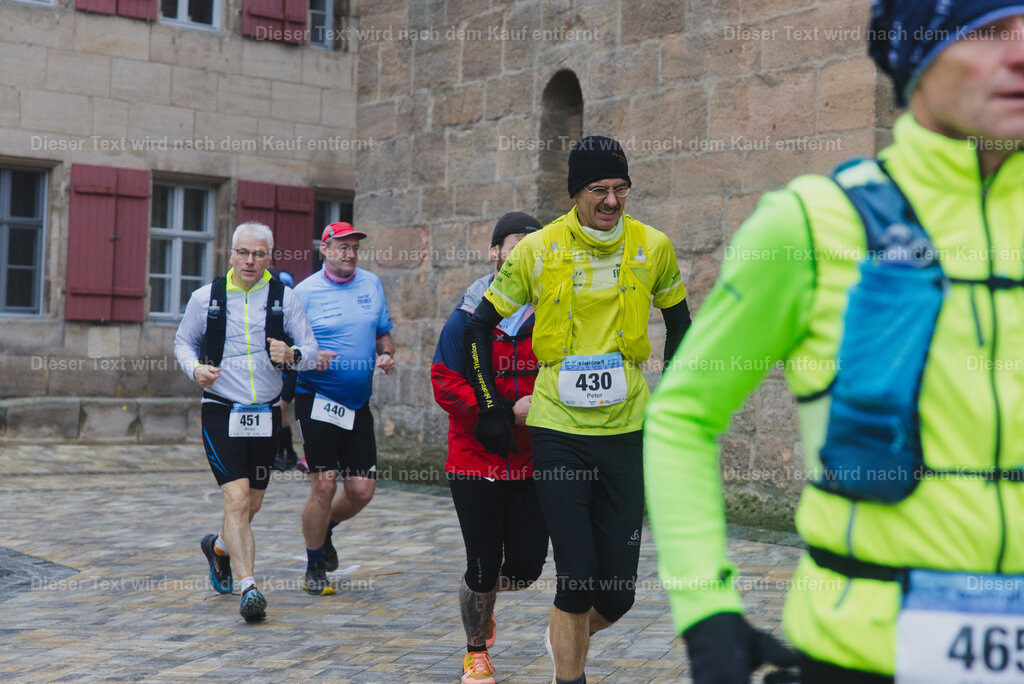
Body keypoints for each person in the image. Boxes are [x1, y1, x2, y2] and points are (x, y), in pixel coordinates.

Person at [645, 3, 1024, 682]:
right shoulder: (810, 225)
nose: (1020, 53)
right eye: (989, 30)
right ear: (917, 52)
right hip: (859, 657)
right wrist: (707, 614)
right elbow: (683, 416)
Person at [464, 137, 692, 684]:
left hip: (626, 430)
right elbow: (478, 327)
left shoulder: (654, 246)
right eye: (599, 189)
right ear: (575, 193)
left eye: (620, 189)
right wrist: (491, 405)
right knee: (576, 578)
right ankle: (571, 676)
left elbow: (681, 324)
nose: (611, 200)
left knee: (617, 595)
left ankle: (563, 638)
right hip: (558, 430)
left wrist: (675, 399)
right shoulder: (537, 249)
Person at [174, 222, 318, 622]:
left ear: (269, 257)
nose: (249, 261)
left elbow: (311, 350)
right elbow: (183, 342)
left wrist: (292, 355)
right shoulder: (206, 298)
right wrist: (195, 369)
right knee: (236, 500)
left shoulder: (285, 298)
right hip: (221, 408)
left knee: (253, 502)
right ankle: (249, 588)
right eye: (243, 253)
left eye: (258, 254)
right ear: (231, 254)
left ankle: (219, 547)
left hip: (267, 413)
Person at [431, 212, 550, 684]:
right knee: (482, 563)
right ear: (496, 253)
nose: (523, 258)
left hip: (531, 462)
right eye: (515, 248)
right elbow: (444, 382)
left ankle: (480, 597)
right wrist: (501, 411)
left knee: (527, 567)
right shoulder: (466, 316)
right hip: (474, 461)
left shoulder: (552, 313)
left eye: (533, 251)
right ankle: (475, 650)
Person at [292, 221, 396, 596]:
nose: (350, 254)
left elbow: (383, 332)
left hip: (356, 402)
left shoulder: (371, 284)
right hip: (317, 398)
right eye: (342, 247)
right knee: (325, 483)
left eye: (354, 248)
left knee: (361, 490)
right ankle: (313, 565)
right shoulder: (303, 293)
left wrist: (387, 354)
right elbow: (284, 350)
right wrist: (308, 356)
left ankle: (325, 530)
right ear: (324, 249)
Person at [269, 269, 300, 473]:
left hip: (291, 368)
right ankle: (288, 452)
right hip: (276, 368)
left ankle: (281, 453)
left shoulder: (288, 303)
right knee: (279, 411)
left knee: (280, 408)